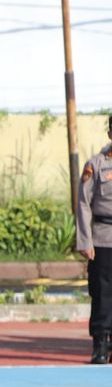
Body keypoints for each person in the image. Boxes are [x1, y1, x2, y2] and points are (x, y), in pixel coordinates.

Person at [75, 115, 112, 364]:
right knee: (102, 292)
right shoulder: (96, 164)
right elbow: (83, 204)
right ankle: (100, 343)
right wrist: (85, 240)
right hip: (103, 237)